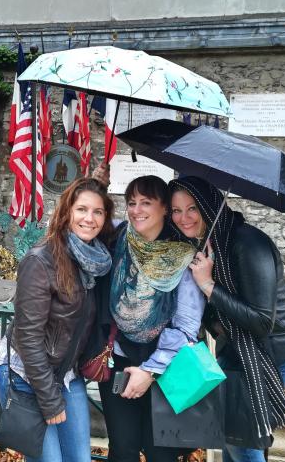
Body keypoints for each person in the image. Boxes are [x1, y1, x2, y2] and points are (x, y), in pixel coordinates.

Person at [168, 176, 285, 462]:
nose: (183, 218)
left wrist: (208, 285)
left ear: (209, 205)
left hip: (273, 347)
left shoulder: (248, 245)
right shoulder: (205, 243)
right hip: (235, 345)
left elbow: (261, 320)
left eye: (192, 208)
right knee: (231, 432)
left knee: (242, 436)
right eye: (176, 210)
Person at [0, 177, 114, 462]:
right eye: (82, 209)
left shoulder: (95, 259)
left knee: (80, 458)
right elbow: (28, 337)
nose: (89, 218)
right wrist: (49, 401)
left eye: (98, 211)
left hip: (66, 373)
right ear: (66, 212)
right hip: (27, 373)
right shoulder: (41, 260)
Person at [89, 174, 205, 462]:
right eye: (131, 203)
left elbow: (187, 326)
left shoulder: (183, 256)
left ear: (164, 208)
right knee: (123, 449)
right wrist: (95, 185)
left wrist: (150, 371)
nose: (136, 210)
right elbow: (81, 218)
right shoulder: (115, 238)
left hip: (166, 368)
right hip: (118, 358)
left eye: (146, 203)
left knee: (160, 453)